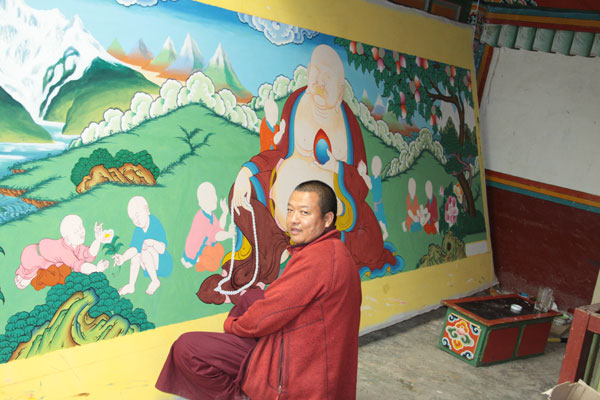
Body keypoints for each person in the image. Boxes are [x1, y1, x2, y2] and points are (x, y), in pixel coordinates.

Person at [197, 44, 398, 305]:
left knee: (366, 238)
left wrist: (334, 167)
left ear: (339, 88)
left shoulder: (348, 122)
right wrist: (248, 170)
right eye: (315, 73)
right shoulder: (297, 102)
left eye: (327, 77)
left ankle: (286, 251)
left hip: (329, 196)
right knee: (240, 193)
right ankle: (277, 250)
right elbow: (278, 153)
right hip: (285, 188)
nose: (319, 82)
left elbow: (361, 183)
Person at [156, 180, 362, 400]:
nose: (293, 220)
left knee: (186, 347)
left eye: (304, 212)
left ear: (327, 219)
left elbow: (269, 315)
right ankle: (237, 351)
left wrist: (232, 326)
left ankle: (238, 395)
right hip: (308, 348)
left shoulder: (317, 259)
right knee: (251, 297)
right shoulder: (332, 249)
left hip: (293, 367)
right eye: (290, 210)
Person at [15, 214, 110, 290]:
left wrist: (97, 240)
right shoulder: (64, 251)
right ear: (67, 237)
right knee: (56, 277)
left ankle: (28, 275)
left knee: (63, 271)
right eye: (77, 231)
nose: (82, 232)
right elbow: (81, 267)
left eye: (81, 228)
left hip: (45, 258)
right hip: (31, 256)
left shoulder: (75, 245)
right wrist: (96, 270)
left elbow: (89, 254)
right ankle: (25, 276)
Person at [113, 196, 173, 295]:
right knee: (136, 254)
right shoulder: (138, 230)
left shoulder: (155, 224)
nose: (136, 220)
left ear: (147, 210)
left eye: (138, 215)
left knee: (144, 250)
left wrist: (152, 243)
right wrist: (123, 258)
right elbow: (134, 249)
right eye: (133, 219)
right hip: (149, 268)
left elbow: (162, 250)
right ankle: (131, 285)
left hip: (163, 264)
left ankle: (155, 281)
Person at [181, 182, 233, 272]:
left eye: (214, 195)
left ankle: (201, 263)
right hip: (194, 253)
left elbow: (219, 228)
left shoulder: (210, 214)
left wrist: (224, 213)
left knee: (219, 248)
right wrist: (228, 234)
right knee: (214, 266)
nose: (214, 199)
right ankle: (195, 261)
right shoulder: (202, 219)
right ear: (201, 203)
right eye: (209, 197)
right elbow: (216, 235)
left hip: (205, 246)